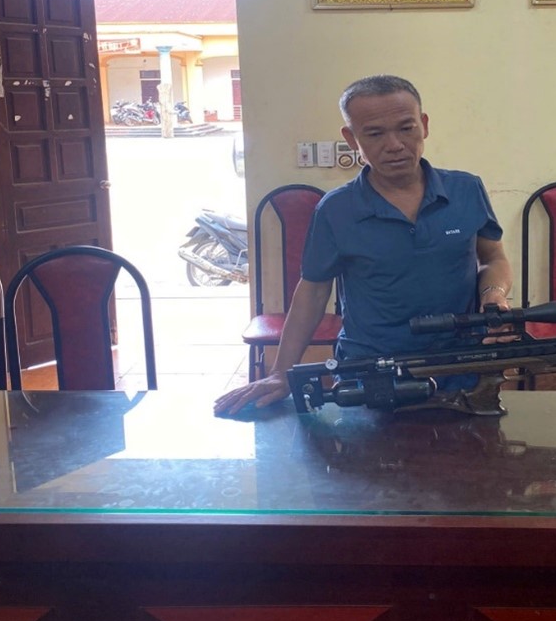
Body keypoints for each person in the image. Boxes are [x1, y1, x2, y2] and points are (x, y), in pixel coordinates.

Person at [213, 74, 513, 417]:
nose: (395, 144)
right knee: (368, 453)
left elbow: (493, 257)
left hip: (462, 368)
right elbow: (312, 293)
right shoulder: (336, 210)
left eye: (406, 128)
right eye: (374, 133)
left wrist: (494, 294)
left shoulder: (466, 190)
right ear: (351, 138)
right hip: (370, 372)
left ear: (424, 125)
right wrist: (281, 373)